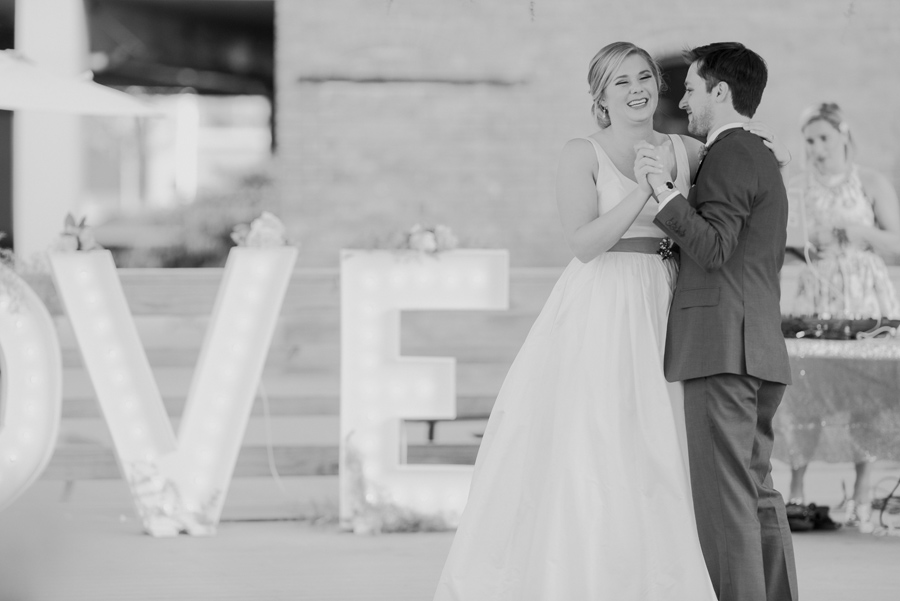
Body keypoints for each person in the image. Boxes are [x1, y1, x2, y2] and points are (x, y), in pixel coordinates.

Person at [432, 41, 787, 600]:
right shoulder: (581, 153)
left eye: (645, 76)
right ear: (600, 95)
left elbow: (744, 165)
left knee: (666, 448)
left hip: (667, 301)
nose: (638, 88)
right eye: (621, 82)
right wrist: (644, 193)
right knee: (595, 439)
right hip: (604, 299)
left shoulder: (686, 150)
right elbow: (583, 244)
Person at [643, 42, 798, 601]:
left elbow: (712, 248)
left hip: (722, 349)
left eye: (690, 88)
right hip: (755, 346)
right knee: (756, 496)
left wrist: (662, 192)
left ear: (720, 91)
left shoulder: (731, 153)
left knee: (726, 506)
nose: (681, 100)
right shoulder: (758, 154)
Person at [786, 102, 900, 530]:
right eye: (810, 141)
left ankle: (863, 495)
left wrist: (861, 233)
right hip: (817, 296)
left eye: (824, 139)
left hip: (865, 297)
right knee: (807, 388)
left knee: (865, 396)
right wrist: (805, 244)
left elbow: (897, 242)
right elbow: (782, 245)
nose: (817, 149)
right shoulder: (797, 187)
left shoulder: (870, 182)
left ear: (843, 137)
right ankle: (797, 492)